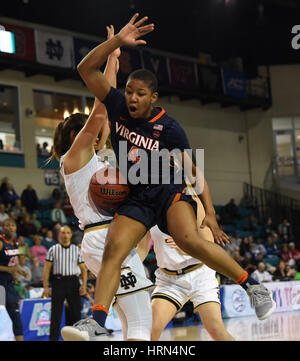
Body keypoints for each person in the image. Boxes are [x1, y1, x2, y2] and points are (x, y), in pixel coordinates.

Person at [75, 13, 276, 333]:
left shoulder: (169, 128)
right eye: (129, 90)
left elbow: (195, 171)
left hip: (168, 190)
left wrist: (209, 212)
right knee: (114, 249)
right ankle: (97, 320)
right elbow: (85, 69)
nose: (132, 97)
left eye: (141, 93)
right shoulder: (115, 105)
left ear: (153, 98)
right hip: (137, 194)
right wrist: (115, 43)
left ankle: (253, 287)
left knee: (190, 240)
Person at [52, 25, 153, 342]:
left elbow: (104, 115)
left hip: (99, 238)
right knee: (140, 322)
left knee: (128, 320)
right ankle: (90, 328)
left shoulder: (86, 160)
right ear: (75, 135)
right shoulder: (76, 153)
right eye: (92, 132)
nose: (98, 135)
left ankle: (94, 329)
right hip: (106, 234)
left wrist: (114, 59)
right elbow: (101, 108)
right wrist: (112, 48)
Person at [142, 190, 234, 341]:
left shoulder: (192, 200)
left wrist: (185, 248)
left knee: (217, 330)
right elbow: (143, 247)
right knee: (149, 330)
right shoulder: (148, 205)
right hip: (169, 280)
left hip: (199, 274)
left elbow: (209, 244)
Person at [42, 225, 87, 341]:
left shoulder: (76, 250)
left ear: (71, 235)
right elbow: (46, 269)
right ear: (59, 235)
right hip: (58, 282)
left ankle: (76, 338)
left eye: (68, 233)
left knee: (76, 313)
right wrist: (46, 286)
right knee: (56, 314)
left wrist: (84, 285)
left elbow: (83, 269)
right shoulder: (53, 249)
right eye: (63, 233)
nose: (65, 235)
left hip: (73, 281)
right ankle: (53, 339)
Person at [0, 218, 27, 341]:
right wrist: (8, 269)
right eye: (7, 225)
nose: (10, 227)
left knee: (16, 317)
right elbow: (9, 267)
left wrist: (20, 271)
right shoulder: (1, 242)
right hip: (0, 284)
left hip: (9, 284)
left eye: (13, 225)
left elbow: (20, 260)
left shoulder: (18, 243)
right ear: (3, 228)